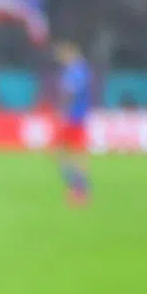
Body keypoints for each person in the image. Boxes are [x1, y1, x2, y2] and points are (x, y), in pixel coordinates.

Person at [53, 40, 93, 205]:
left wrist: (63, 111)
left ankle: (79, 189)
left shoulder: (77, 70)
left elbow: (70, 93)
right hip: (75, 117)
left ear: (69, 52)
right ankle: (78, 187)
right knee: (66, 153)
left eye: (61, 54)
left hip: (73, 118)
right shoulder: (78, 69)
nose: (59, 58)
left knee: (70, 154)